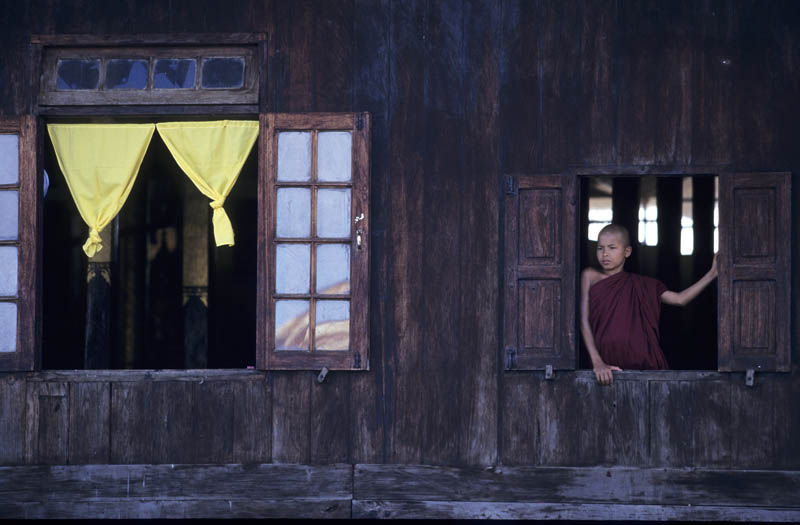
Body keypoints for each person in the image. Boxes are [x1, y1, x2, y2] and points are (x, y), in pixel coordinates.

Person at [580, 224, 718, 385]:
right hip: (604, 366)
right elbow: (583, 321)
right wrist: (597, 363)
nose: (605, 254)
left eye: (612, 248)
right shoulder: (590, 276)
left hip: (643, 366)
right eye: (600, 248)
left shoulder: (642, 285)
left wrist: (712, 274)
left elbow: (680, 299)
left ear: (627, 252)